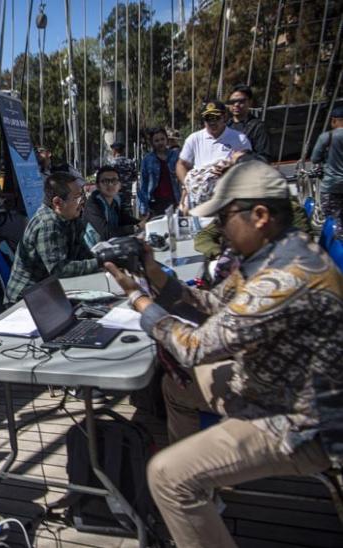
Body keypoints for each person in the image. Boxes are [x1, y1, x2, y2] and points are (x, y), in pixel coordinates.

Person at [102, 160, 343, 548]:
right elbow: (212, 305)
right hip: (276, 387)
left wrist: (139, 300)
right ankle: (202, 497)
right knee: (178, 389)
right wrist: (154, 273)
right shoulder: (275, 254)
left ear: (259, 215)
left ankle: (189, 491)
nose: (217, 228)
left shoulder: (285, 278)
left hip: (302, 422)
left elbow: (194, 346)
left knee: (167, 475)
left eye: (224, 217)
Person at [5, 169, 99, 303]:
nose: (82, 201)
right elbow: (60, 270)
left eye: (83, 195)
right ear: (57, 203)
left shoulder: (71, 217)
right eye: (77, 198)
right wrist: (99, 262)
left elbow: (83, 254)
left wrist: (107, 260)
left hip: (51, 290)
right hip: (25, 299)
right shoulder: (47, 225)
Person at [177, 101, 251, 211]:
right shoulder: (194, 139)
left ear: (224, 117)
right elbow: (181, 164)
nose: (212, 122)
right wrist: (189, 185)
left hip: (228, 197)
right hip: (200, 199)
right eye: (208, 118)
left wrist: (230, 168)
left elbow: (249, 165)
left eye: (216, 118)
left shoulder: (240, 139)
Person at [83, 166, 143, 244]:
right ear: (97, 186)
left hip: (109, 246)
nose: (110, 184)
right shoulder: (92, 204)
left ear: (120, 185)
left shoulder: (116, 201)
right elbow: (106, 233)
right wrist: (136, 227)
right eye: (105, 181)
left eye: (114, 181)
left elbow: (125, 219)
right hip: (92, 249)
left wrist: (144, 223)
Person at [311, 105, 343, 239]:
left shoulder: (326, 137)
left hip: (331, 186)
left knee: (332, 222)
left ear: (334, 120)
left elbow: (315, 159)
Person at [138, 128, 182, 217]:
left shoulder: (176, 156)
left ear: (166, 140)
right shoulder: (147, 160)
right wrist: (143, 207)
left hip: (174, 200)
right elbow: (144, 184)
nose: (160, 142)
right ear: (152, 143)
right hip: (155, 203)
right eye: (156, 140)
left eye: (162, 139)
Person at [226, 84, 271, 162]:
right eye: (233, 101)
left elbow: (264, 158)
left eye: (241, 101)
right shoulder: (224, 126)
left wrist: (242, 158)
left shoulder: (258, 127)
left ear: (250, 102)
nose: (236, 104)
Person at [110, 142, 138, 218]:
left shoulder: (112, 164)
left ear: (114, 151)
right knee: (127, 213)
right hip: (127, 194)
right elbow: (134, 177)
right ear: (123, 151)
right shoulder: (130, 162)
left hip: (115, 194)